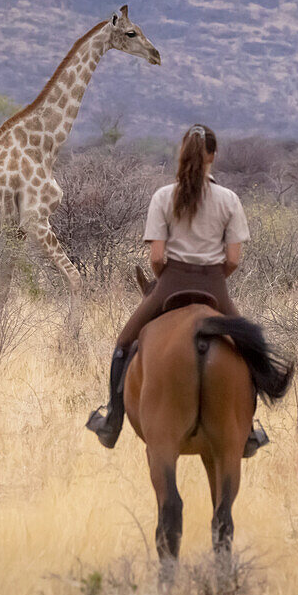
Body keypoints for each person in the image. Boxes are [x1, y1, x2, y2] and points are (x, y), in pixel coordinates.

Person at [86, 123, 266, 453]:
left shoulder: (163, 197)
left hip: (170, 283)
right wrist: (213, 276)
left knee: (125, 342)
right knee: (249, 346)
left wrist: (168, 277)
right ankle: (250, 430)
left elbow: (156, 257)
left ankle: (112, 420)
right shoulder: (229, 199)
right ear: (214, 155)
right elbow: (234, 259)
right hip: (214, 283)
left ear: (182, 153)